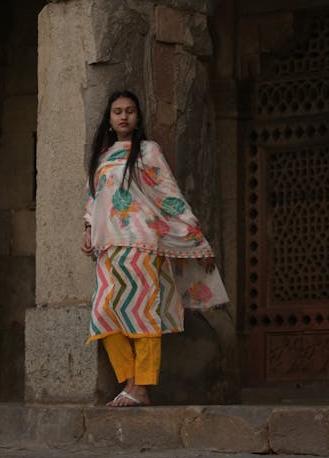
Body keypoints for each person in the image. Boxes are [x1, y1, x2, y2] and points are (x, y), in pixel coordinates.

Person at [82, 89, 228, 407]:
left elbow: (168, 193)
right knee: (103, 315)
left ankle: (140, 387)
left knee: (143, 314)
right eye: (117, 111)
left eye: (130, 111)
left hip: (143, 243)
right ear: (109, 119)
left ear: (137, 117)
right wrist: (89, 227)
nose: (124, 116)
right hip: (109, 248)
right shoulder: (102, 157)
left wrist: (193, 235)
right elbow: (94, 197)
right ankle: (131, 381)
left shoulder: (148, 151)